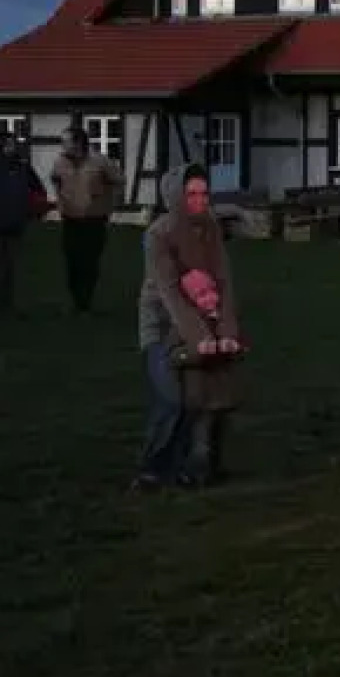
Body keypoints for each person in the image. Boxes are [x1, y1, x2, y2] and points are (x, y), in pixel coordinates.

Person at [135, 164, 245, 490]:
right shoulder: (158, 235)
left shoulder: (210, 227)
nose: (199, 200)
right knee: (173, 399)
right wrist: (199, 339)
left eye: (203, 193)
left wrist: (226, 332)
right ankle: (153, 468)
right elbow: (170, 293)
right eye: (191, 194)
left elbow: (224, 281)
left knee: (212, 392)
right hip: (163, 325)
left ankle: (202, 465)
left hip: (207, 317)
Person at [0, 133, 48, 324]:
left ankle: (9, 308)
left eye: (14, 145)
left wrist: (32, 212)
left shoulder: (22, 168)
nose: (13, 148)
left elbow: (38, 189)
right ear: (1, 147)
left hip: (15, 226)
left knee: (10, 270)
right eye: (10, 145)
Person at [50, 127, 124, 314]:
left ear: (78, 143)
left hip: (94, 219)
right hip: (70, 219)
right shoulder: (60, 162)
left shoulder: (100, 162)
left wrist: (110, 204)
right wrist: (61, 201)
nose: (62, 145)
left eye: (65, 141)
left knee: (89, 261)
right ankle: (75, 299)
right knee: (72, 260)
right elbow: (55, 180)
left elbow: (119, 181)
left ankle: (85, 301)